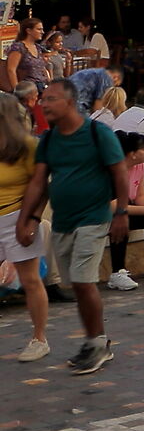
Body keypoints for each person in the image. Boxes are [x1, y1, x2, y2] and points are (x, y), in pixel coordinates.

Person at [19, 78, 131, 373]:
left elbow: (120, 172)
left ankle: (98, 343)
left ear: (69, 102)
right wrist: (27, 219)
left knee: (83, 281)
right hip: (63, 223)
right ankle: (93, 340)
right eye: (42, 99)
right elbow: (39, 182)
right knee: (77, 285)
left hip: (93, 218)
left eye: (51, 99)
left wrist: (121, 212)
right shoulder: (50, 139)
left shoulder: (97, 133)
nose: (44, 104)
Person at [0, 94, 50, 362]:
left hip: (17, 216)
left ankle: (39, 338)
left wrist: (32, 220)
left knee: (30, 280)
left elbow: (42, 187)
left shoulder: (29, 147)